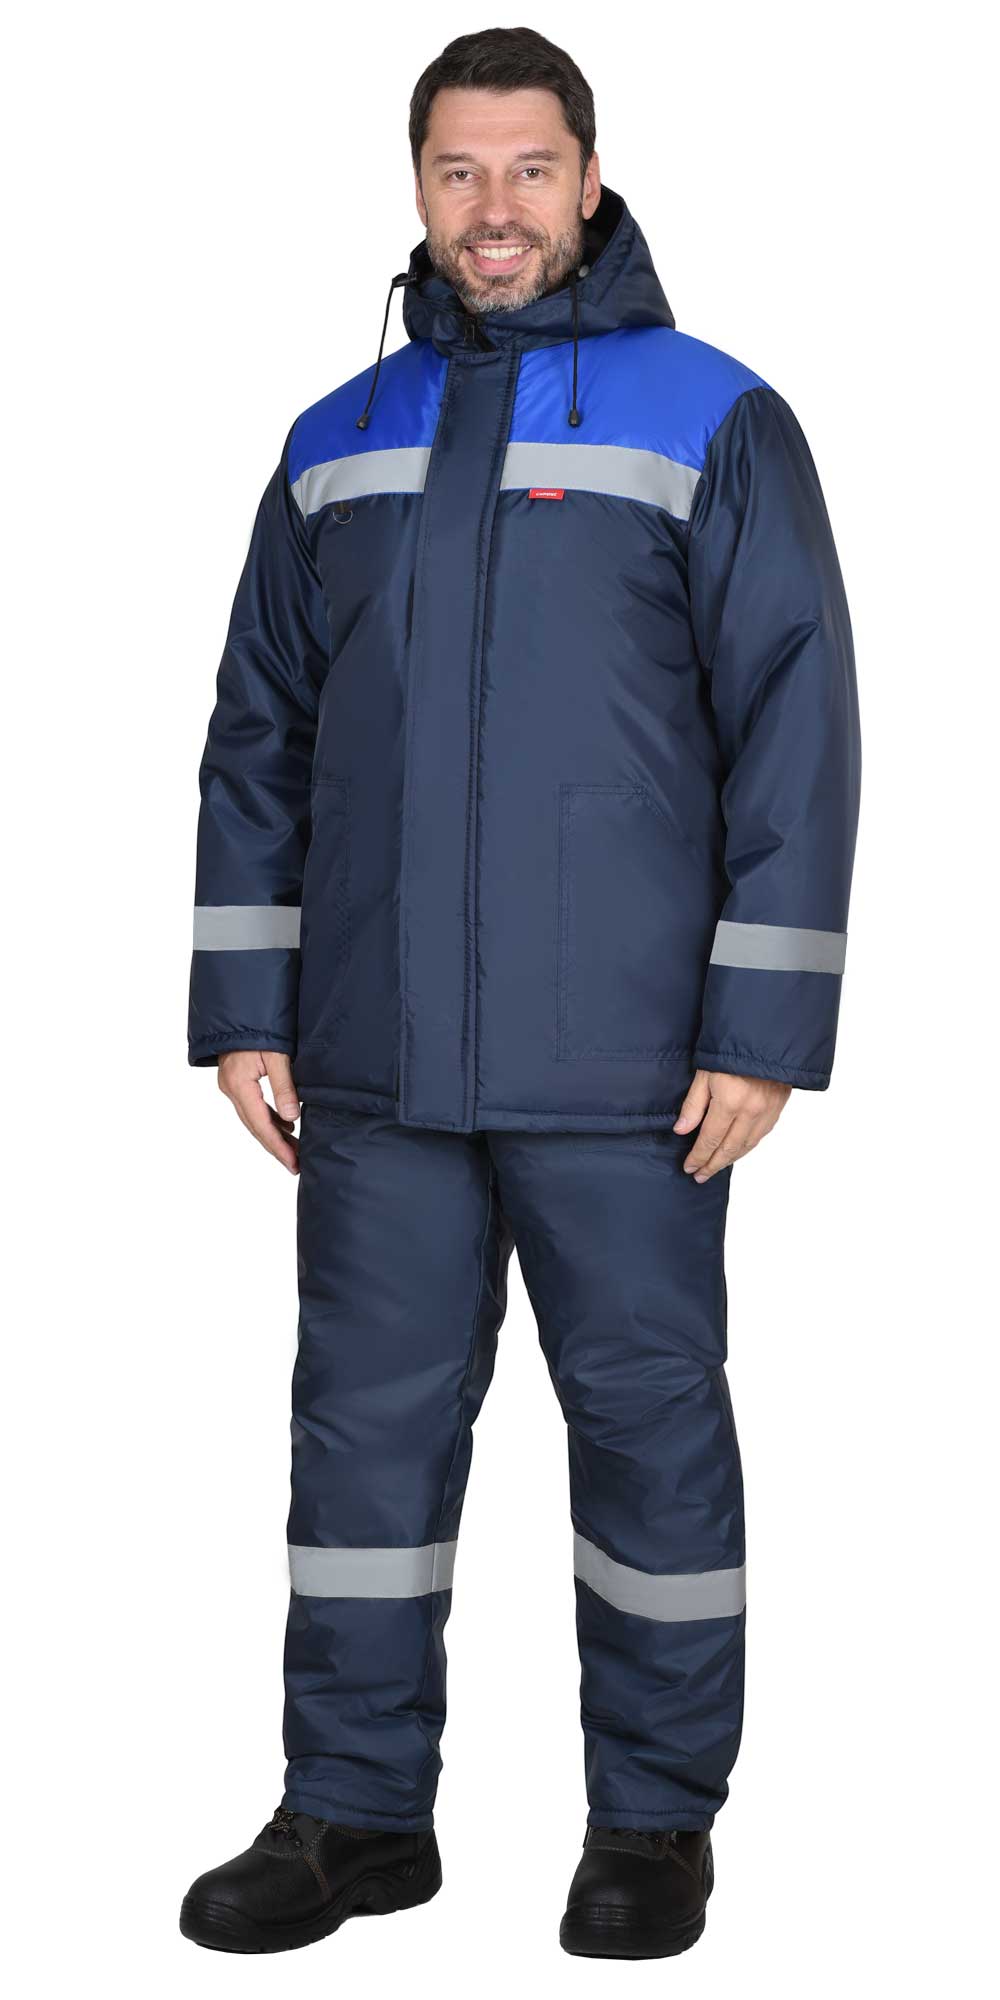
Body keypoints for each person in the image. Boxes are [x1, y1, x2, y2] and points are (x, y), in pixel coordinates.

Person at [179, 24, 861, 1960]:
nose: (494, 209)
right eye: (458, 171)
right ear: (417, 186)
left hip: (629, 1065)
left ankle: (652, 1821)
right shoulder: (335, 435)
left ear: (591, 177)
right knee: (360, 1446)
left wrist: (758, 1031)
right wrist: (247, 1000)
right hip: (373, 1057)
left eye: (530, 169)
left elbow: (797, 726)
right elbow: (257, 732)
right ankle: (352, 1812)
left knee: (646, 1437)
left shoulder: (711, 416)